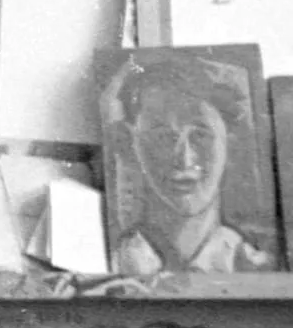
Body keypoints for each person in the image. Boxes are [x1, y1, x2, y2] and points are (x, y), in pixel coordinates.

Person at [102, 54, 279, 274]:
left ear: (230, 142)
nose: (184, 159)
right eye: (161, 137)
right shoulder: (112, 262)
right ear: (131, 143)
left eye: (200, 135)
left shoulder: (257, 268)